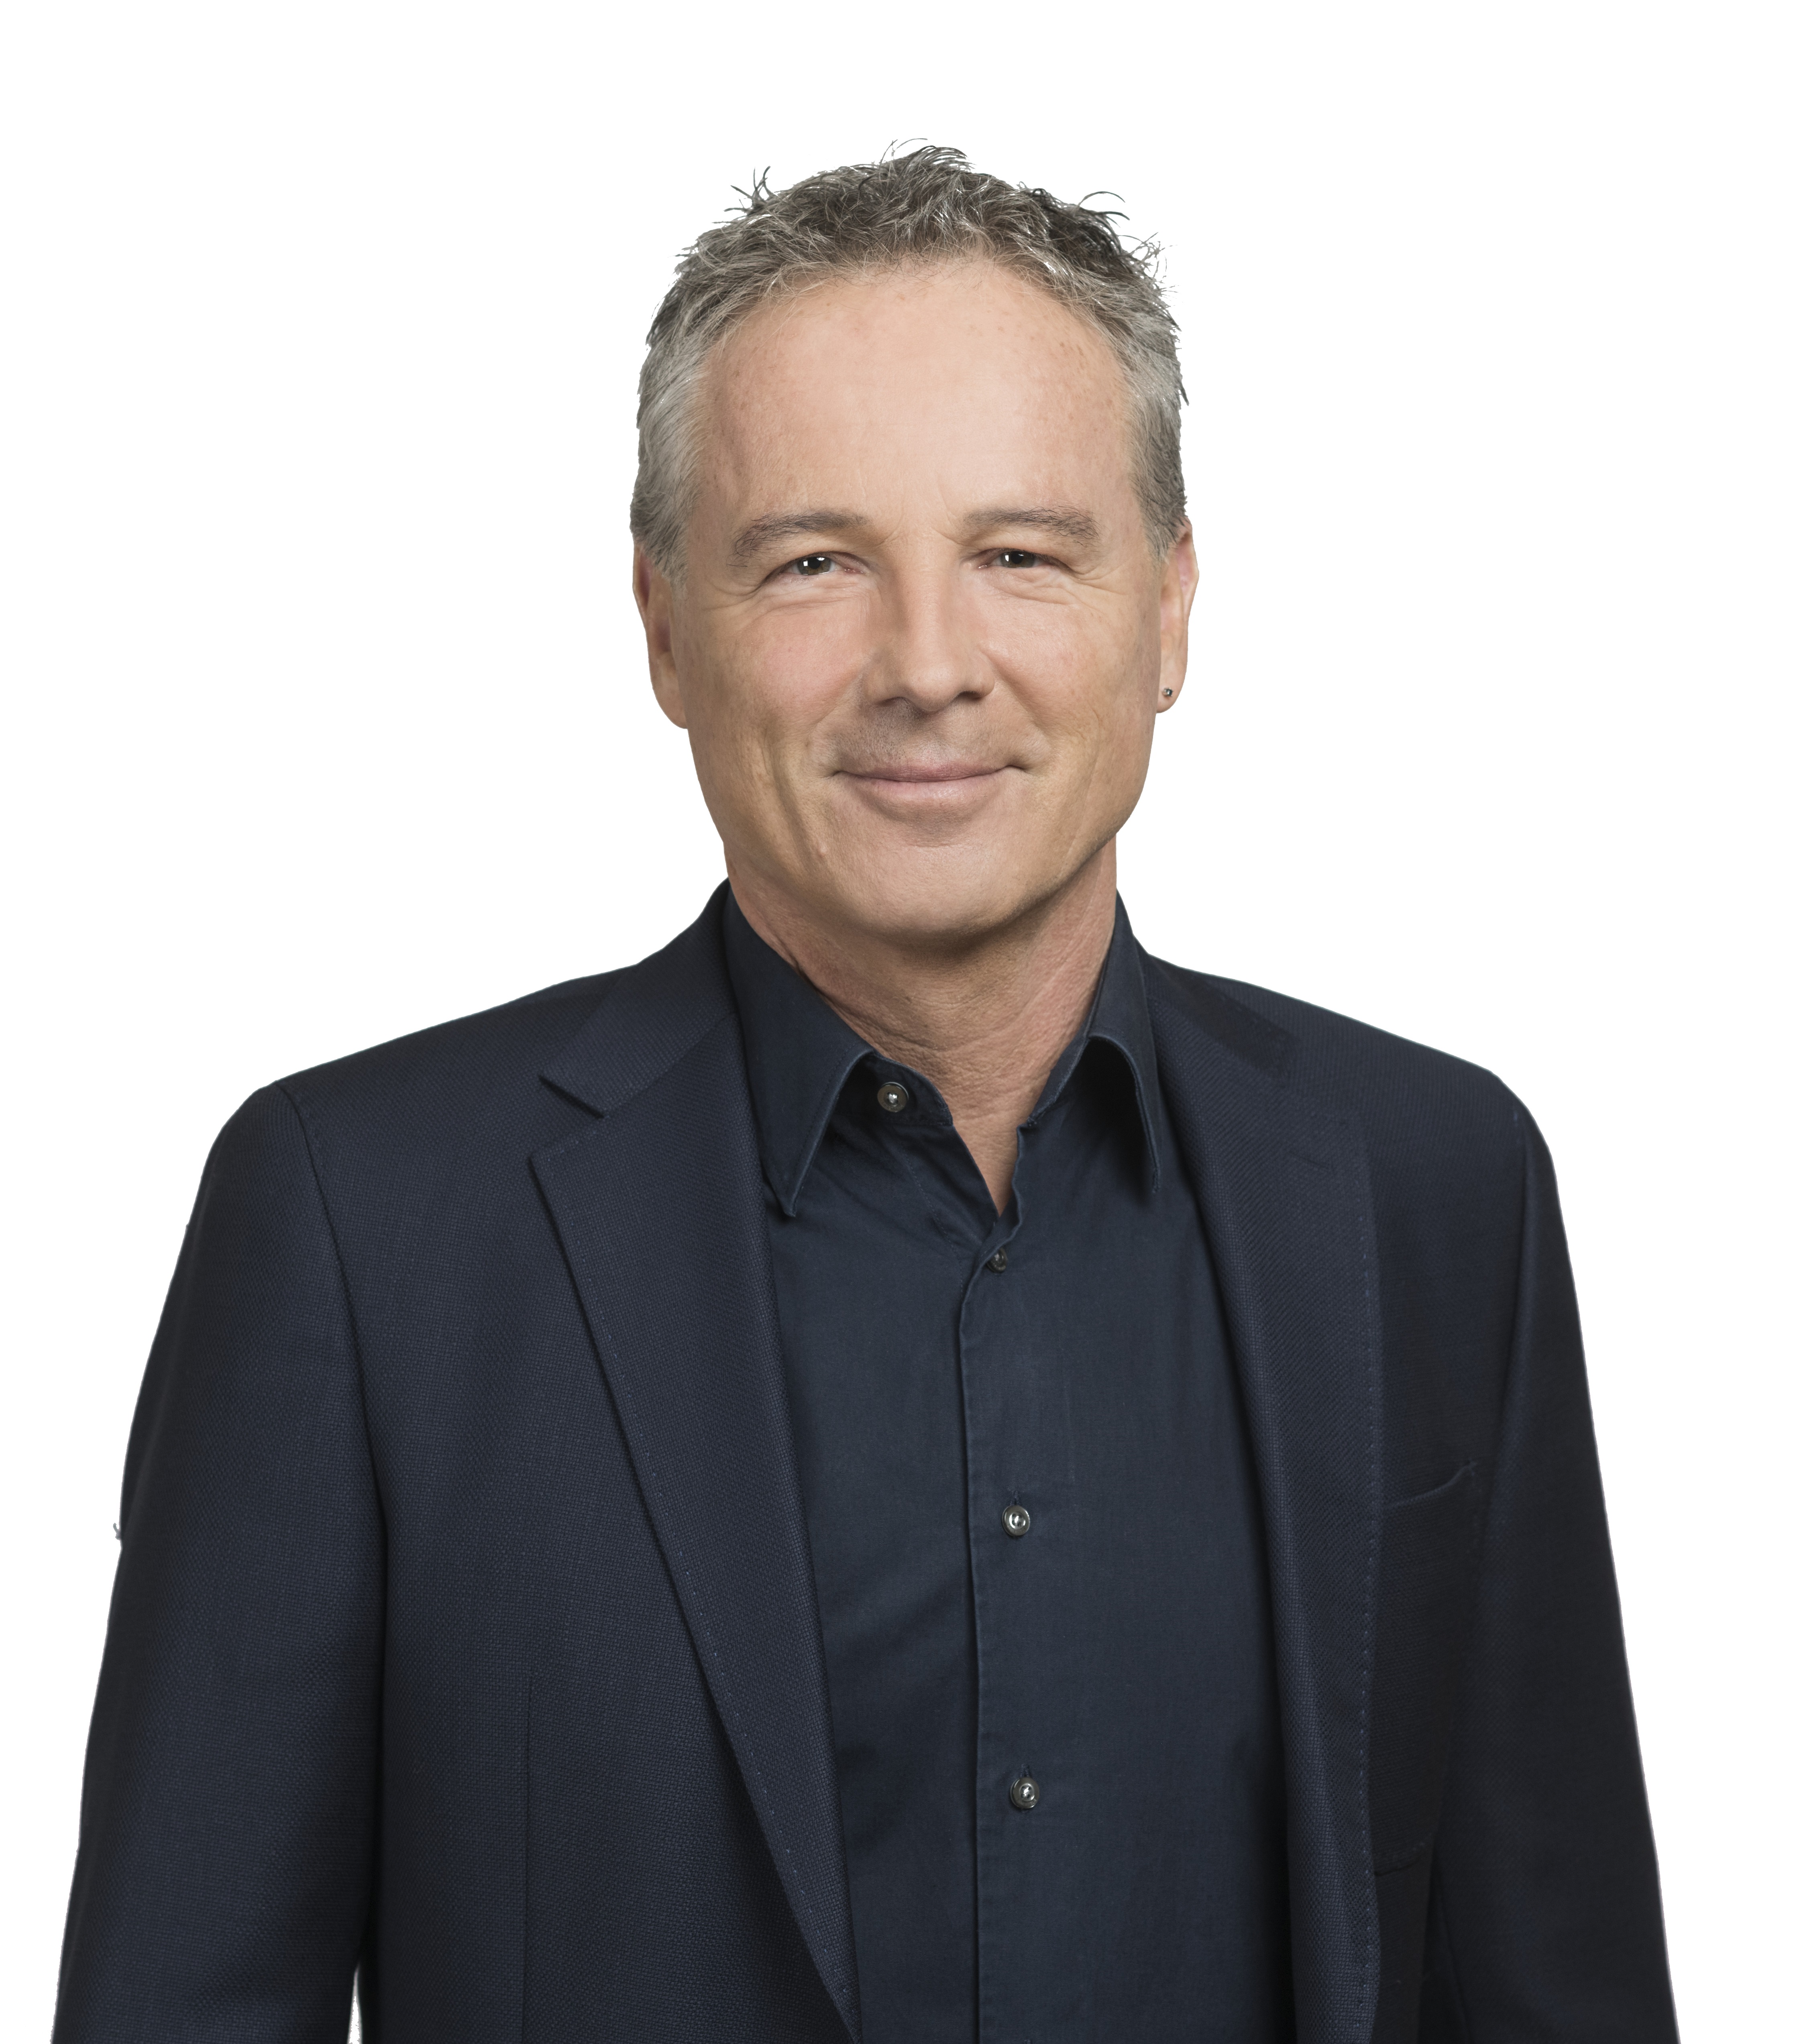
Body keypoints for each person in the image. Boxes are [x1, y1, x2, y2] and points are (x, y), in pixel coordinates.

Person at [52, 147, 1678, 2044]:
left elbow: (1561, 1990)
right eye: (815, 561)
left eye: (1022, 555)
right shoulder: (358, 1227)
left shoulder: (1437, 1188)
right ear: (666, 625)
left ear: (1169, 609)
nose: (926, 666)